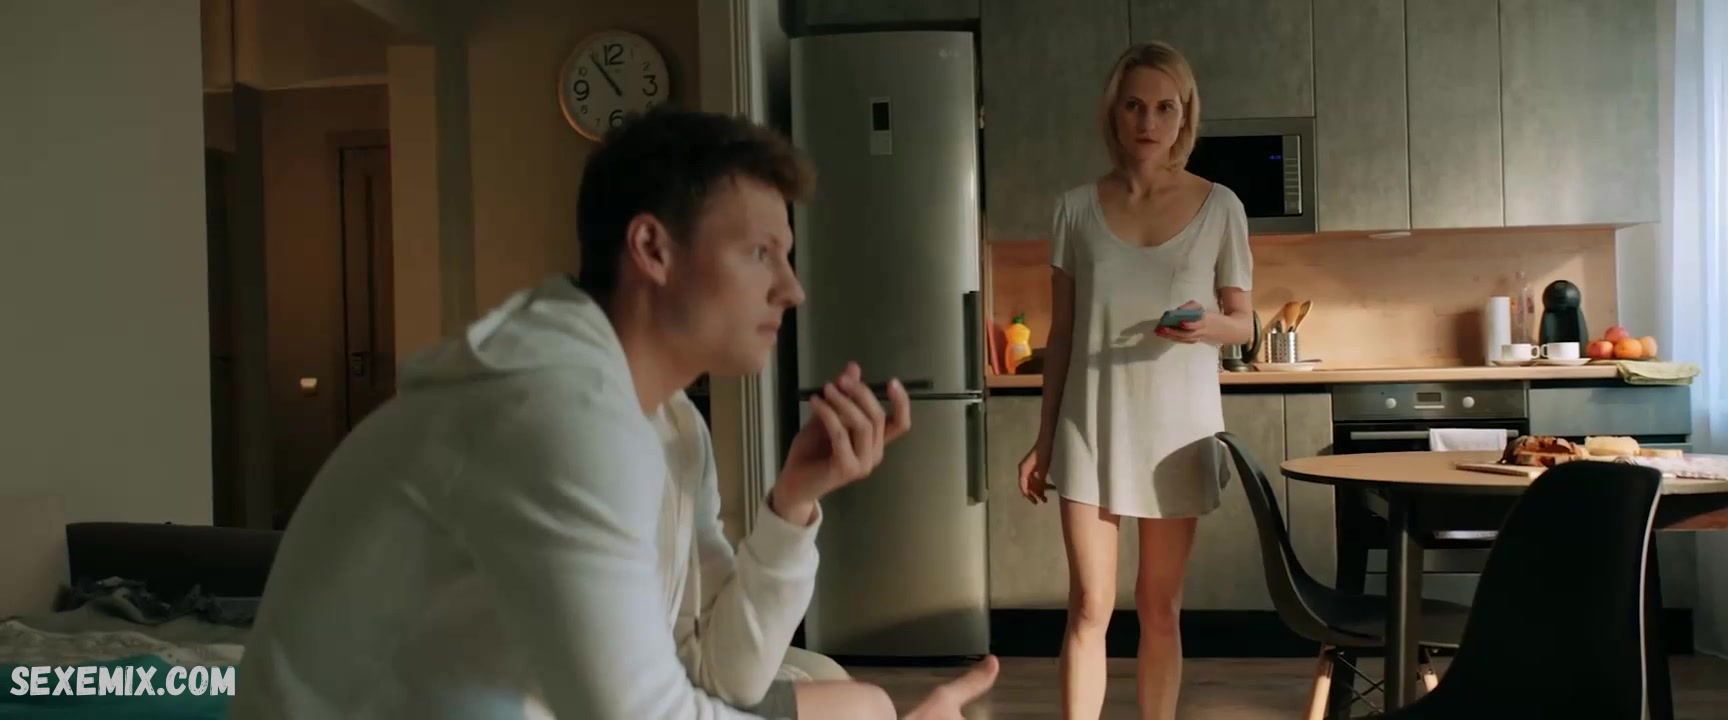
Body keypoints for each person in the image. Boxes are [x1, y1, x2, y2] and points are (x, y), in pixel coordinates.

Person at [229, 108, 997, 719]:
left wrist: (793, 505)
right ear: (652, 248)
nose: (791, 290)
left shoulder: (670, 424)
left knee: (859, 705)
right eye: (760, 253)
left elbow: (718, 673)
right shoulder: (558, 412)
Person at [1016, 42, 1256, 720]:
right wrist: (1043, 439)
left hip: (1178, 432)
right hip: (1090, 423)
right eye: (1134, 106)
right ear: (1114, 114)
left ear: (1184, 116)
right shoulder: (1073, 210)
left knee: (1159, 606)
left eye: (1164, 107)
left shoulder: (1221, 207)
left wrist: (1206, 325)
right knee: (1090, 605)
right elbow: (1063, 336)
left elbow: (1244, 323)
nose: (1149, 121)